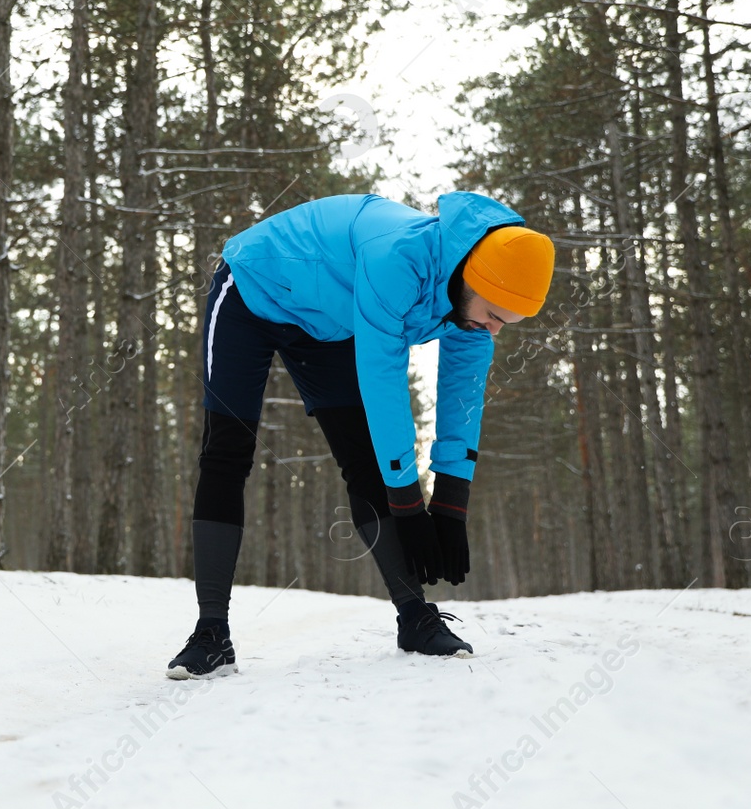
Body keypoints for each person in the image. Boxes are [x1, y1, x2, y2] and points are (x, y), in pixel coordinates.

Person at [166, 191, 555, 678]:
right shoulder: (396, 259)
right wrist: (410, 504)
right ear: (470, 279)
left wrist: (453, 500)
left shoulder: (472, 306)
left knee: (366, 462)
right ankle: (211, 634)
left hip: (328, 325)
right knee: (228, 450)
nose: (496, 330)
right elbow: (383, 383)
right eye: (495, 314)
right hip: (252, 289)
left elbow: (462, 396)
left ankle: (415, 618)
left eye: (508, 322)